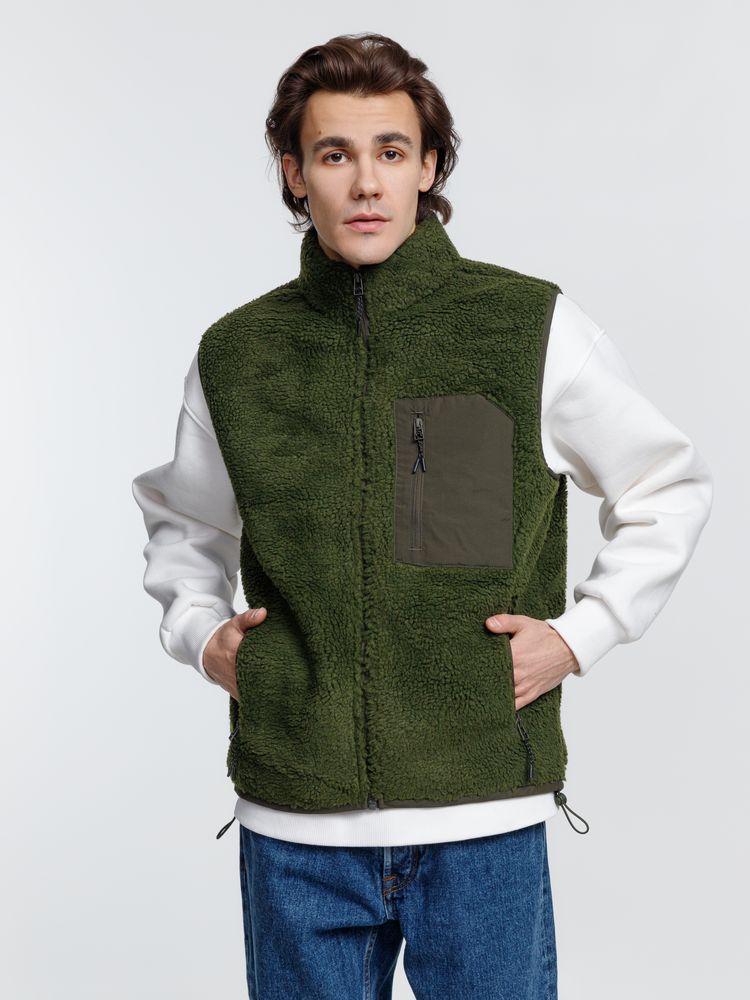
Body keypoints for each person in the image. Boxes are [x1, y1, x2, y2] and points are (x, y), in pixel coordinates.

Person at [132, 32, 713, 999]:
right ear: (295, 173)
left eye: (391, 151)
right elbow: (183, 524)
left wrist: (582, 635)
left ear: (429, 167)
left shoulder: (524, 327)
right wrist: (203, 635)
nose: (366, 181)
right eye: (334, 153)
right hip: (296, 824)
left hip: (480, 817)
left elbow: (666, 486)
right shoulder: (238, 355)